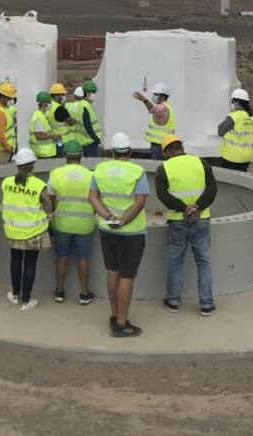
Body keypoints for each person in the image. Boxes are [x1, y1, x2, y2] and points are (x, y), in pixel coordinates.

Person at [89, 132, 149, 337]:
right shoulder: (137, 171)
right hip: (131, 232)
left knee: (112, 271)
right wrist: (123, 220)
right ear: (129, 151)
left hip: (107, 229)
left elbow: (92, 197)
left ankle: (114, 315)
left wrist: (108, 216)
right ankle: (122, 325)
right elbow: (140, 202)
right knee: (127, 276)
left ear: (112, 151)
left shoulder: (100, 169)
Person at [155, 135, 218, 315]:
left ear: (166, 151)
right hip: (202, 218)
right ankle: (207, 304)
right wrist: (198, 207)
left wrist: (184, 208)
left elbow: (163, 196)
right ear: (181, 147)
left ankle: (173, 301)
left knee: (175, 262)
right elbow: (212, 189)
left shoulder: (164, 168)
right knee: (204, 261)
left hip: (177, 220)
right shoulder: (201, 163)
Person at [1, 147, 54, 311]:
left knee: (15, 261)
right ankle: (26, 300)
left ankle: (15, 295)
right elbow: (48, 207)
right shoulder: (39, 185)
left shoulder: (6, 182)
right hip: (33, 232)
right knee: (30, 264)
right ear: (33, 165)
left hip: (12, 230)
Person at [47, 139, 97, 305]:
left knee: (62, 257)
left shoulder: (55, 174)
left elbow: (50, 201)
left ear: (65, 156)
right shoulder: (91, 175)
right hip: (85, 225)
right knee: (83, 258)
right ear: (81, 156)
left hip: (62, 224)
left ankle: (59, 292)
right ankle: (84, 294)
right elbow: (96, 200)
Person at [132, 83, 175, 160]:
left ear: (163, 96)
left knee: (157, 167)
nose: (153, 96)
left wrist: (143, 100)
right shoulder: (167, 107)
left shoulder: (163, 108)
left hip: (159, 147)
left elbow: (153, 109)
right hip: (164, 145)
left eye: (155, 94)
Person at [72, 82, 102, 158]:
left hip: (84, 141)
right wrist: (96, 139)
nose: (94, 94)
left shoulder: (83, 104)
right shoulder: (85, 106)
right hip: (90, 142)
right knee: (93, 165)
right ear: (88, 93)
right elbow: (87, 125)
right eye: (93, 92)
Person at [28, 91, 58, 159]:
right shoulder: (38, 117)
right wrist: (53, 136)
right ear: (44, 103)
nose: (50, 104)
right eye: (49, 102)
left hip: (44, 152)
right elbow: (39, 136)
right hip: (44, 153)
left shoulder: (42, 115)